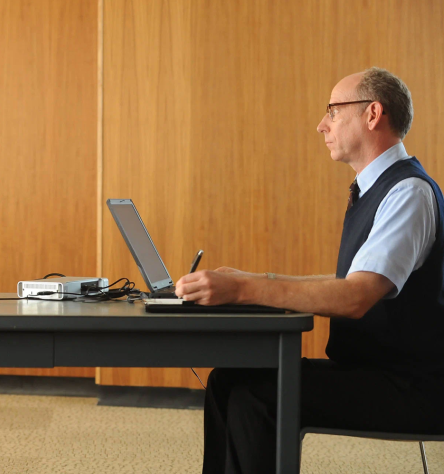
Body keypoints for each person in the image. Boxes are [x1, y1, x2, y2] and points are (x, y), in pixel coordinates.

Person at [175, 68, 444, 473]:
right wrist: (249, 279)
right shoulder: (380, 188)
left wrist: (242, 290)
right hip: (378, 373)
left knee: (255, 397)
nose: (322, 125)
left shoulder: (407, 193)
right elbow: (349, 283)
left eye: (333, 111)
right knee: (226, 381)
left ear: (373, 114)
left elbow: (355, 297)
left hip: (411, 386)